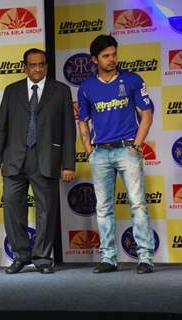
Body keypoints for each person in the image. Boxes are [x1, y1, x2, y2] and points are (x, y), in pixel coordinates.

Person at [0, 48, 76, 274]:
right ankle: (21, 255)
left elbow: (69, 129)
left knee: (46, 211)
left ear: (46, 66)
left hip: (46, 159)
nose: (38, 69)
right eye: (33, 65)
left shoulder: (61, 91)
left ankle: (42, 258)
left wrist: (68, 164)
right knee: (12, 208)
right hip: (14, 159)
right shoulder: (12, 91)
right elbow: (1, 127)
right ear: (24, 67)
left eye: (41, 64)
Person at [78, 34, 155, 274]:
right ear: (94, 59)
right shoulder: (87, 87)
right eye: (106, 56)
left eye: (114, 54)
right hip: (101, 153)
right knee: (103, 208)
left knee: (138, 205)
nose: (112, 59)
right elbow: (83, 120)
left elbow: (147, 114)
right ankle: (108, 258)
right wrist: (89, 150)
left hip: (127, 149)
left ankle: (145, 258)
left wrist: (137, 144)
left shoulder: (132, 80)